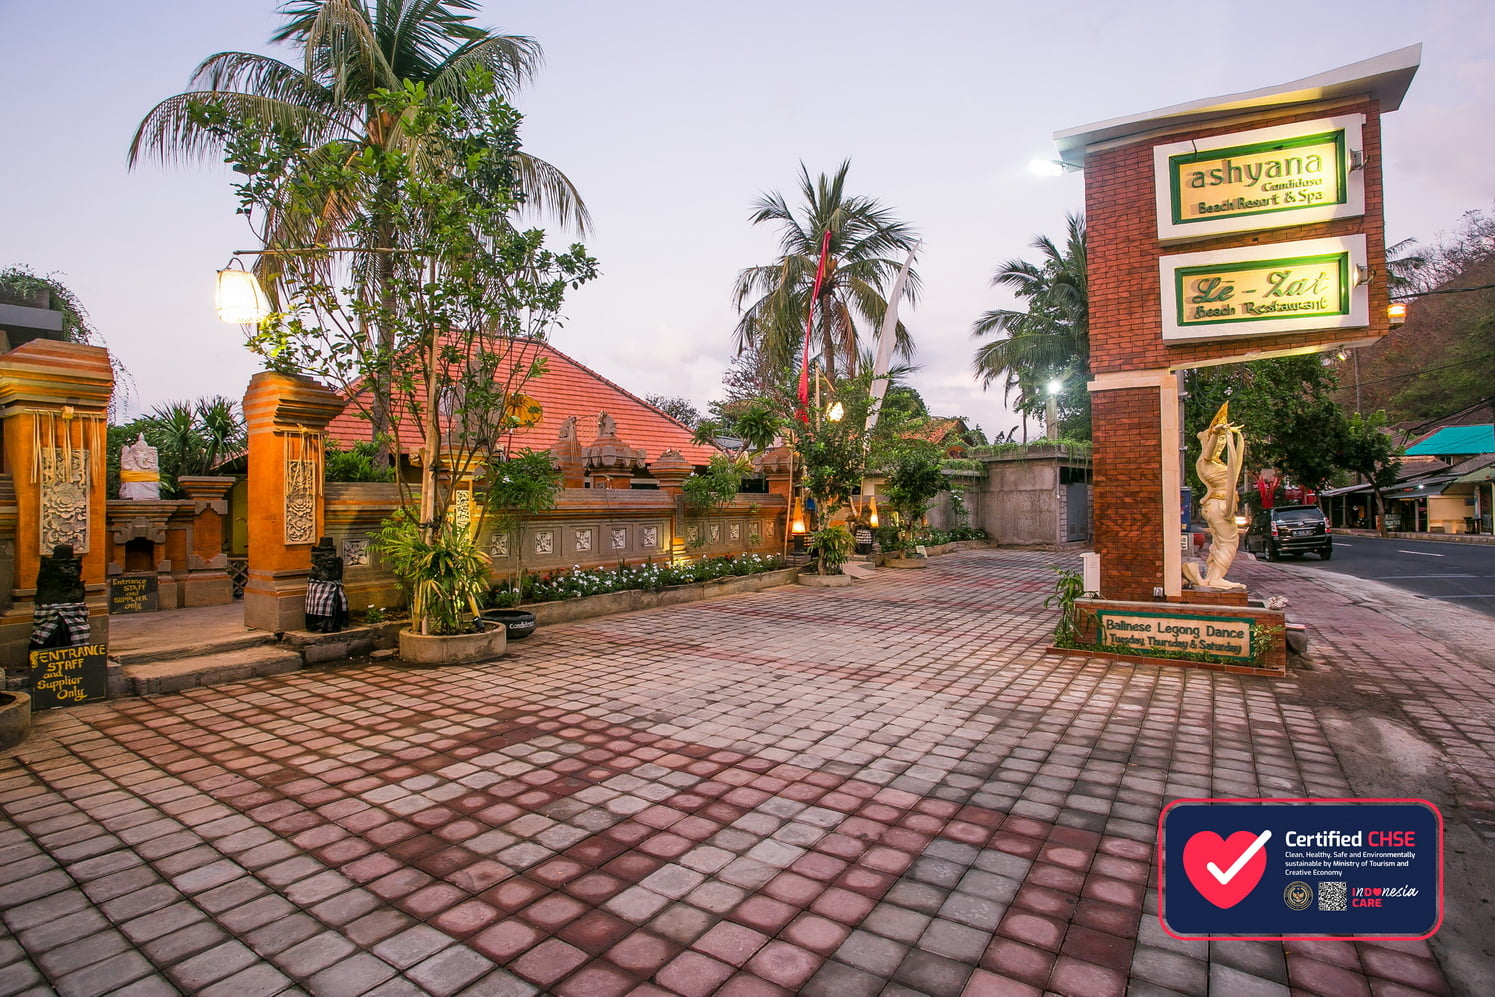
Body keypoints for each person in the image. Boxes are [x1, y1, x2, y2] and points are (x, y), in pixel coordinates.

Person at [1182, 404, 1247, 591]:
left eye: (1223, 441)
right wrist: (1216, 433)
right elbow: (1209, 451)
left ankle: (1213, 576)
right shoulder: (1206, 460)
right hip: (1218, 504)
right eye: (1218, 441)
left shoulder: (1214, 463)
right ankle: (1216, 577)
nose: (1220, 444)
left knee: (1220, 542)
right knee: (1228, 541)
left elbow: (1235, 465)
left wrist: (1234, 437)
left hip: (1218, 504)